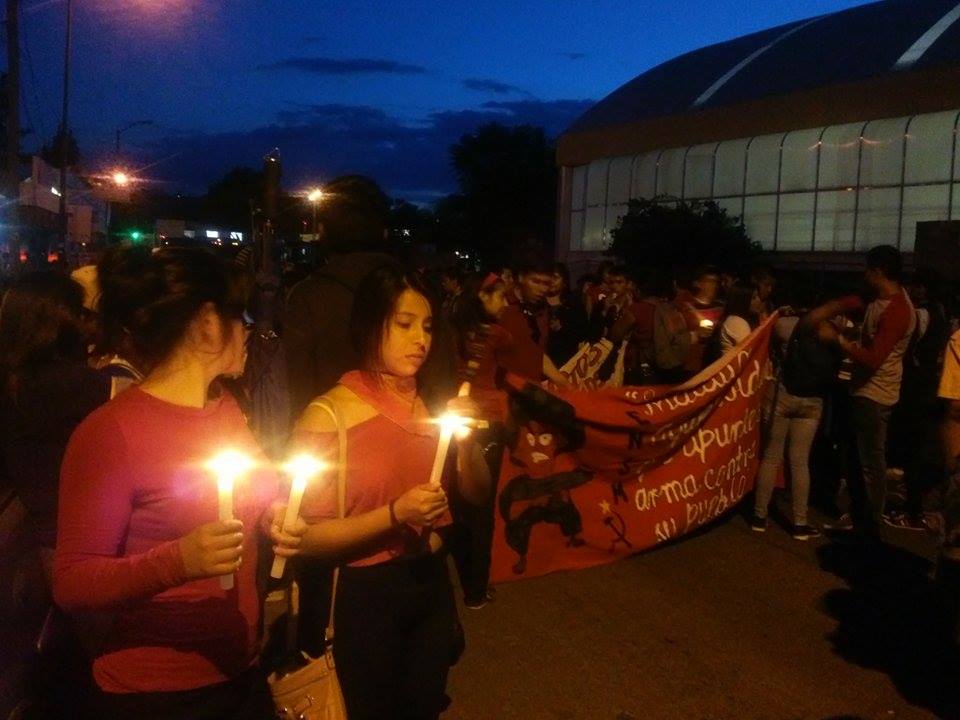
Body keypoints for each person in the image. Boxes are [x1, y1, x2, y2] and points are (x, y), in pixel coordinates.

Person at [54, 247, 284, 719]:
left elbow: (261, 488)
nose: (248, 332)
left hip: (239, 671)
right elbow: (72, 581)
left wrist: (280, 512)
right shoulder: (110, 433)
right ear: (206, 322)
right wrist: (178, 560)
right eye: (238, 316)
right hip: (157, 694)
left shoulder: (225, 407)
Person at [281, 265, 492, 719]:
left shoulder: (431, 408)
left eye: (429, 326)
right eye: (404, 324)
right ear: (370, 324)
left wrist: (468, 442)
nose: (421, 339)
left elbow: (475, 494)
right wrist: (394, 514)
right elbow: (305, 539)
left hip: (429, 585)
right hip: (362, 598)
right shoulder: (328, 416)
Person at [821, 246, 916, 535]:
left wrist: (839, 340)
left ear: (878, 272)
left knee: (870, 463)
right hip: (865, 392)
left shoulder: (897, 309)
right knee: (856, 457)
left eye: (868, 269)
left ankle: (869, 526)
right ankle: (860, 517)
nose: (864, 275)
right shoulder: (880, 300)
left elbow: (874, 359)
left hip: (875, 395)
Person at [750, 299, 844, 539]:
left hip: (783, 394)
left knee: (771, 457)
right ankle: (800, 523)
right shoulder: (832, 332)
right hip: (813, 400)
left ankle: (759, 517)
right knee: (800, 462)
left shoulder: (786, 324)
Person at [448, 272, 510, 609]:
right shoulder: (499, 335)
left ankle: (458, 573)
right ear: (482, 298)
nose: (506, 303)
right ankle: (476, 588)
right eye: (499, 296)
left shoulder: (451, 332)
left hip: (455, 418)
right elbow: (524, 367)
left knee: (457, 500)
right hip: (487, 422)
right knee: (481, 506)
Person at [496, 254, 568, 386]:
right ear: (521, 278)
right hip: (500, 391)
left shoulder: (543, 310)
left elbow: (537, 354)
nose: (541, 289)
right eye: (535, 281)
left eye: (546, 283)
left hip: (530, 392)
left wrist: (566, 385)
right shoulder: (500, 305)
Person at [675, 265, 725, 375]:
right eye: (709, 281)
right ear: (697, 283)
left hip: (715, 363)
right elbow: (677, 337)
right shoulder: (685, 308)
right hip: (691, 366)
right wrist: (697, 334)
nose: (714, 286)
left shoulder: (722, 308)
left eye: (716, 282)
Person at [546, 262, 587, 368]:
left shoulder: (573, 304)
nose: (551, 281)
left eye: (555, 277)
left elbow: (582, 332)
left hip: (566, 361)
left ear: (564, 281)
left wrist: (561, 328)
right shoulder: (538, 303)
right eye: (548, 277)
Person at [716, 282, 760, 355]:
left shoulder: (744, 320)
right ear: (743, 300)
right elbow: (749, 353)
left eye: (758, 296)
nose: (758, 300)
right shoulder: (736, 322)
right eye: (754, 298)